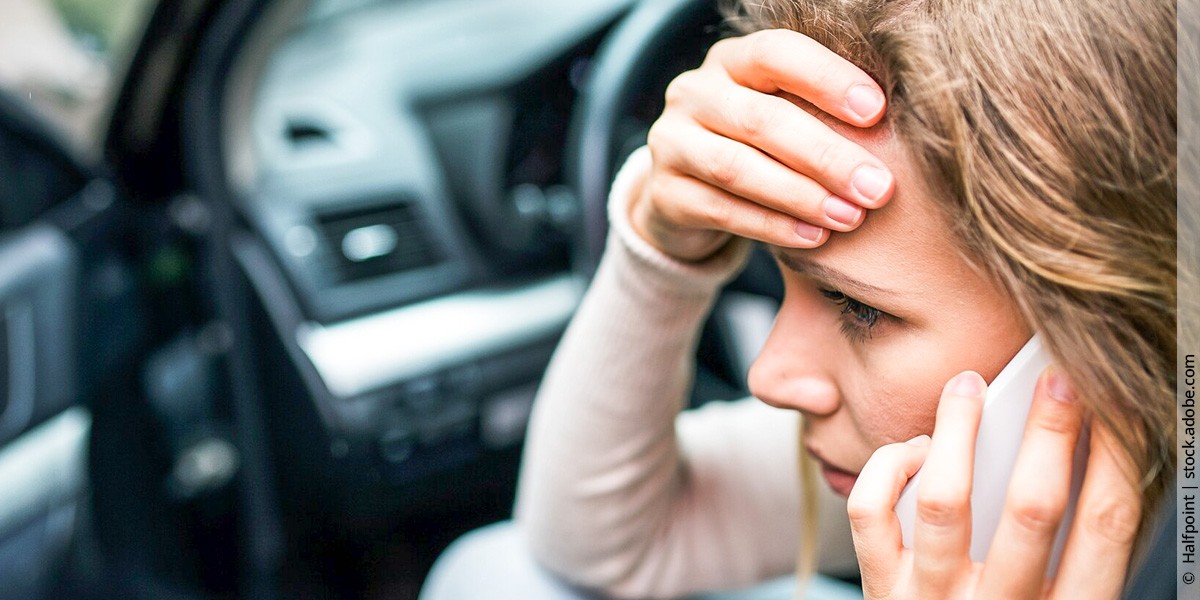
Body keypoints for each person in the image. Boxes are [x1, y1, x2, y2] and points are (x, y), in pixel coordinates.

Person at [420, 0, 1177, 598]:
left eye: (861, 310)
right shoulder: (940, 473)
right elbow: (598, 543)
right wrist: (659, 243)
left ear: (1114, 331)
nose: (770, 377)